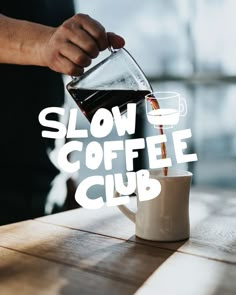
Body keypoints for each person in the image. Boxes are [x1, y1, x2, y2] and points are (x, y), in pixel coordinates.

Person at [0, 0, 125, 225]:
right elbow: (52, 47)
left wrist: (69, 173)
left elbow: (58, 81)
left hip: (49, 185)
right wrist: (43, 43)